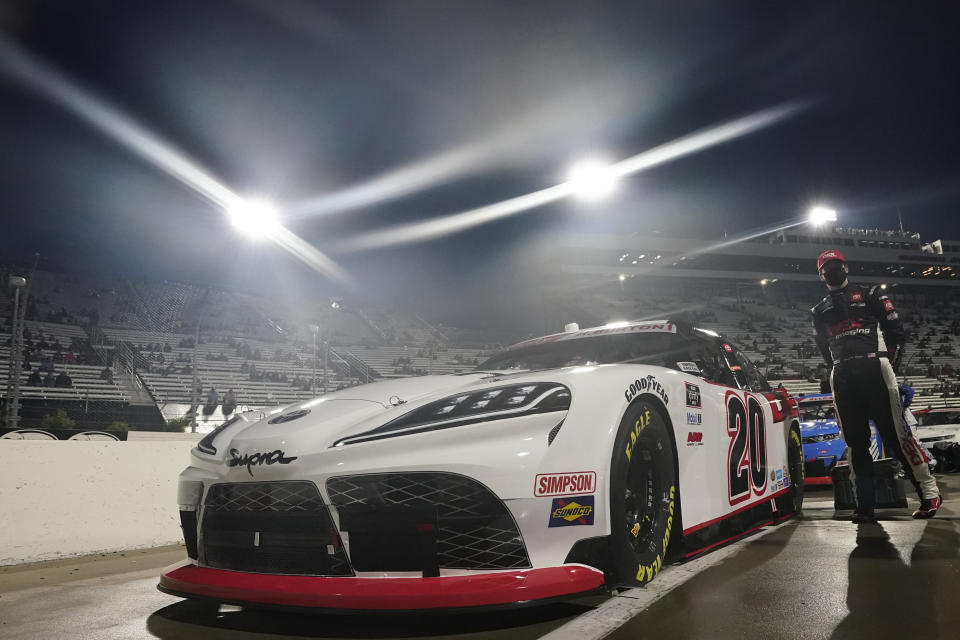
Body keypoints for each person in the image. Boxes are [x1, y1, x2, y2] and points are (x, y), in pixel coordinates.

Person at [811, 250, 940, 522]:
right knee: (855, 444)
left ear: (846, 267)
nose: (833, 271)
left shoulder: (871, 295)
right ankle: (864, 506)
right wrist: (837, 368)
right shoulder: (819, 309)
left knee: (896, 436)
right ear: (821, 275)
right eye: (827, 268)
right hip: (842, 374)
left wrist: (890, 366)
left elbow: (897, 333)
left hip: (876, 369)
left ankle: (929, 494)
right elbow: (824, 348)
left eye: (836, 266)